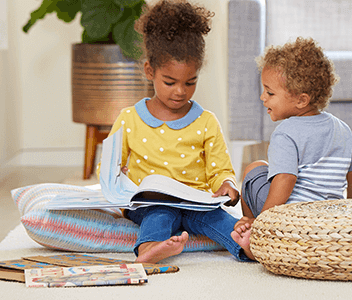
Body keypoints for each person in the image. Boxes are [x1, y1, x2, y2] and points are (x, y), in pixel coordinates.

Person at [105, 0, 249, 263]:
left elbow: (219, 170)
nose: (180, 91)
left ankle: (246, 247)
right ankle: (149, 250)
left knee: (220, 219)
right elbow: (109, 168)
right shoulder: (129, 119)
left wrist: (226, 185)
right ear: (150, 71)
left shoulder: (206, 121)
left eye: (190, 82)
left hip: (195, 203)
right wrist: (120, 178)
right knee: (160, 215)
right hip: (150, 204)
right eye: (169, 82)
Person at [230, 37, 352, 259]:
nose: (262, 97)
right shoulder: (342, 129)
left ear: (302, 100)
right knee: (265, 169)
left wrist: (264, 222)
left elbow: (285, 178)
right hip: (328, 220)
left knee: (253, 169)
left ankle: (257, 236)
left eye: (270, 93)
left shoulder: (286, 132)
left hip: (292, 219)